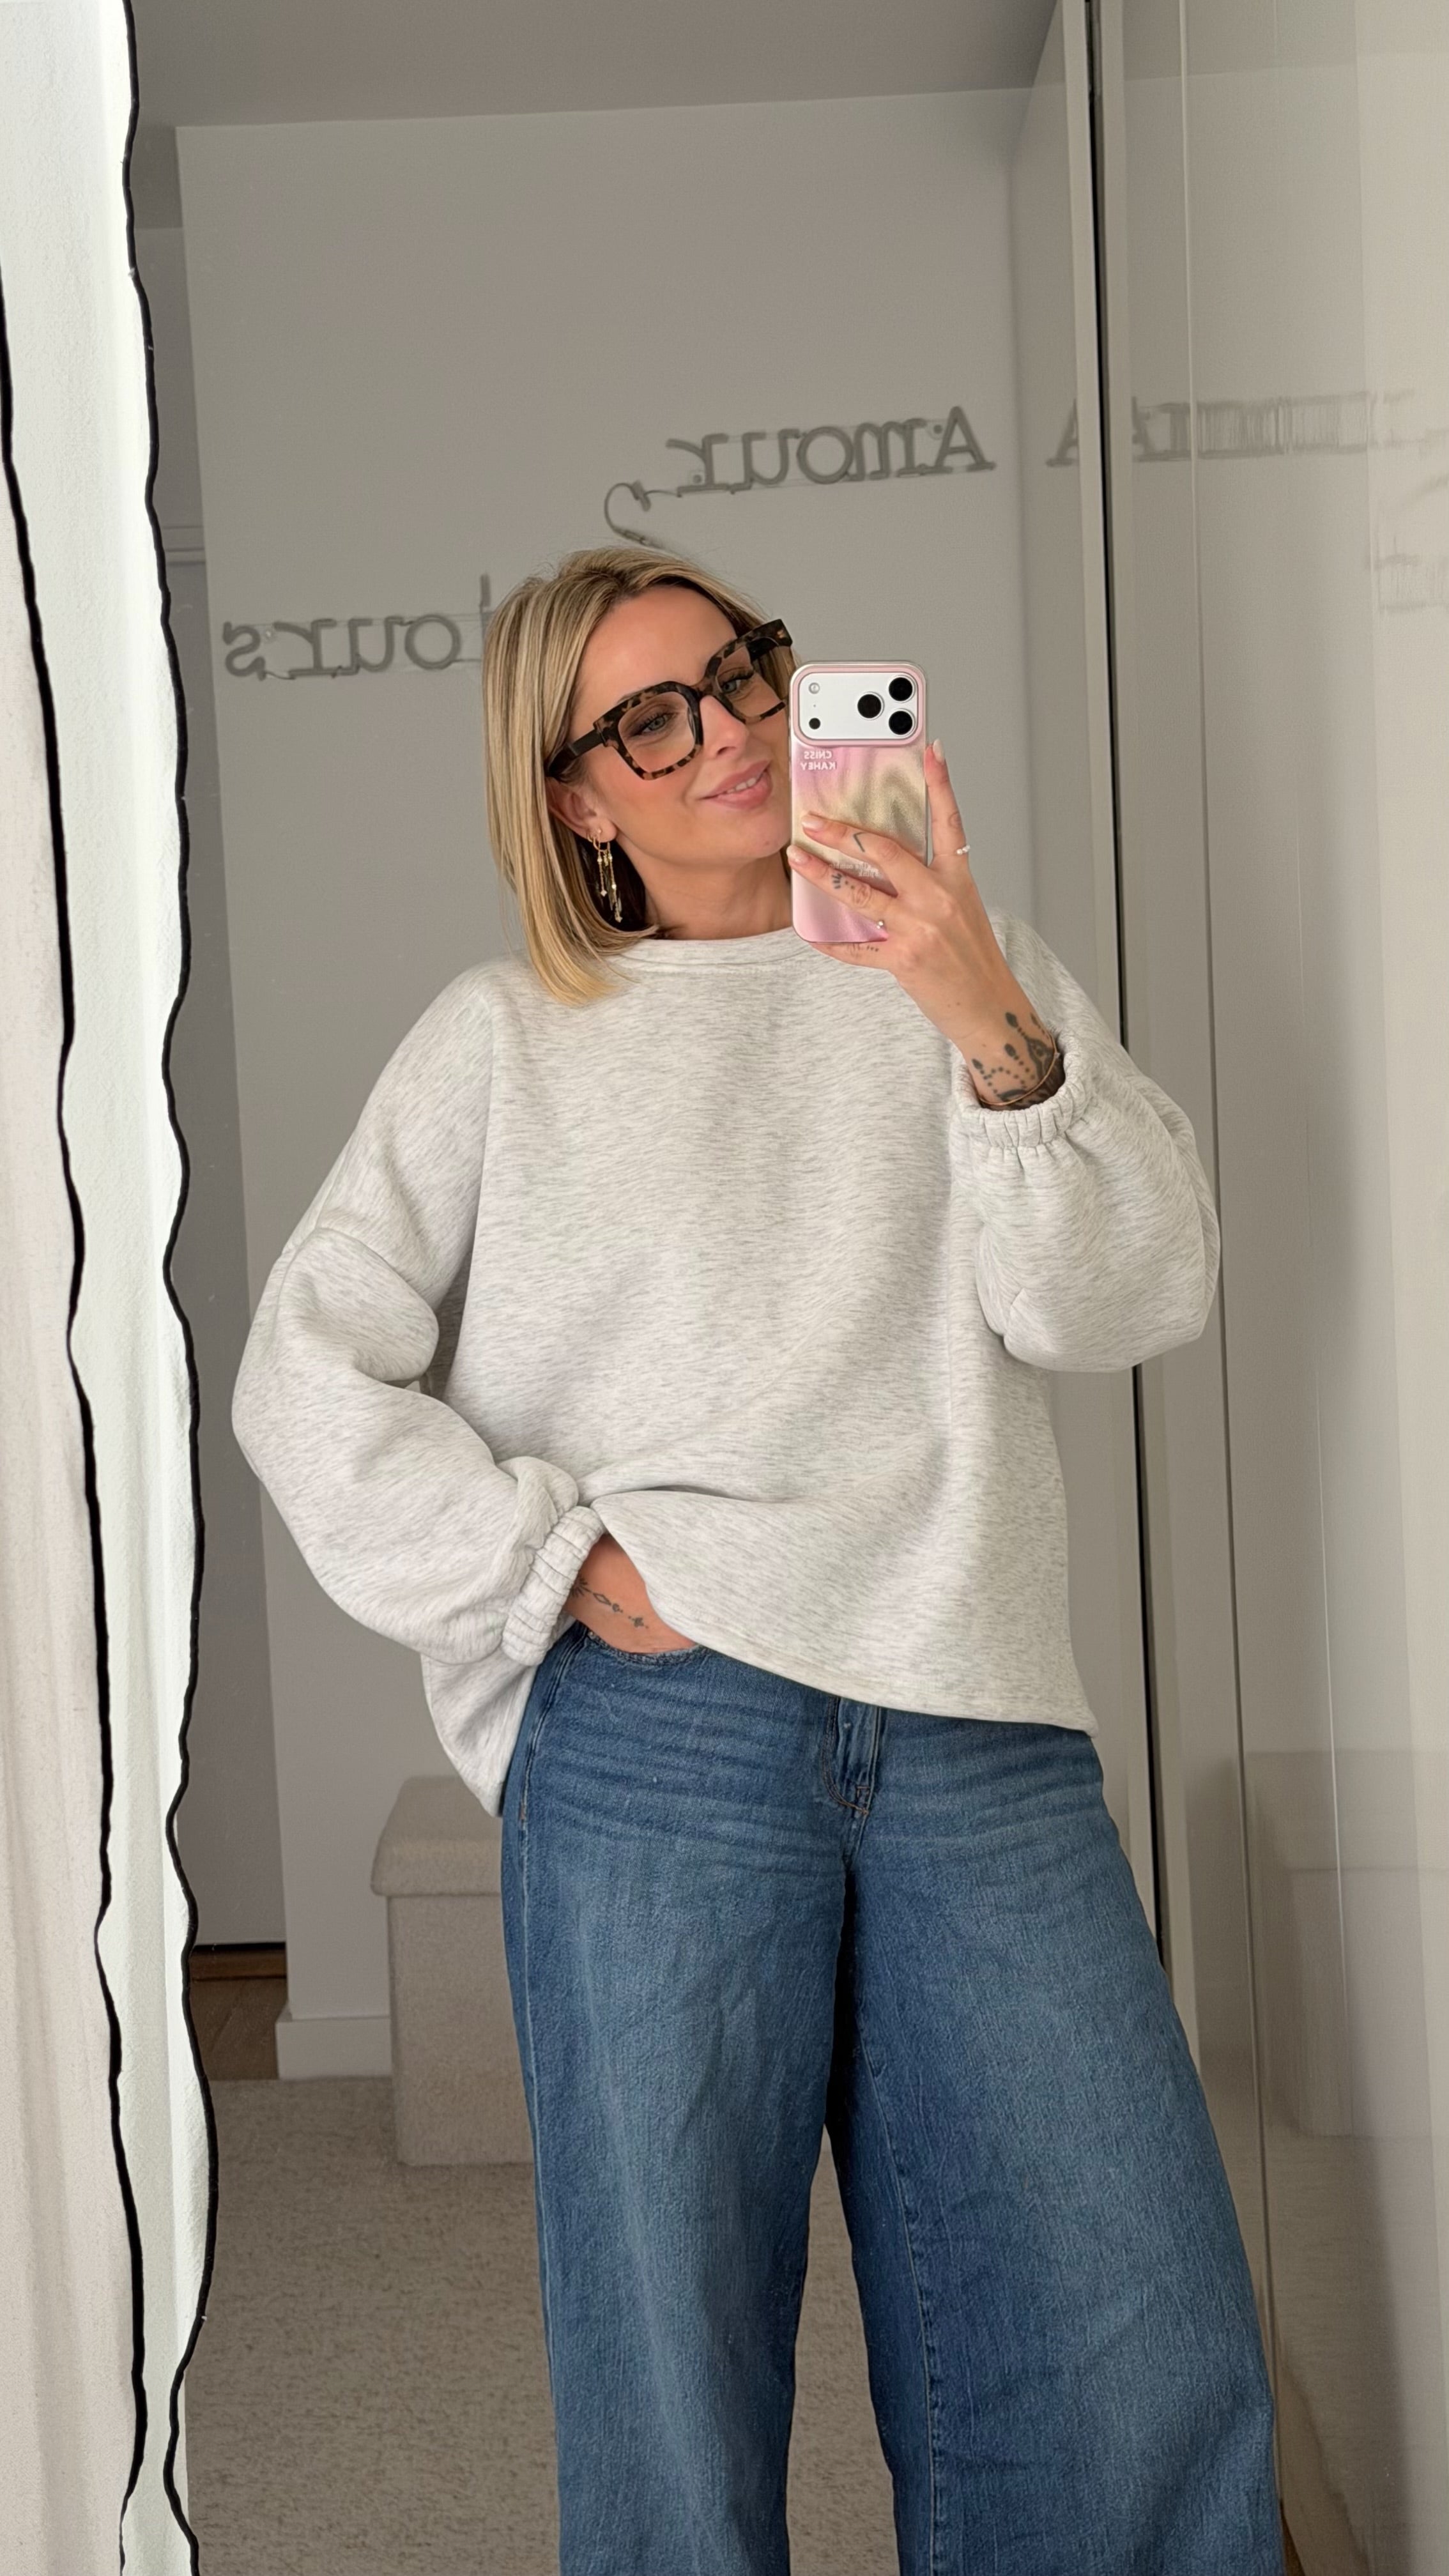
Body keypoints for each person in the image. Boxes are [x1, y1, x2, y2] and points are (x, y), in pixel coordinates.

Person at [232, 542, 1285, 2575]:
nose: (722, 732)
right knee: (675, 2374)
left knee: (1122, 2336)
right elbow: (305, 1371)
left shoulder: (964, 963)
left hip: (969, 1713)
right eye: (649, 719)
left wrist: (974, 1006)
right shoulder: (501, 1036)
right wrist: (546, 1562)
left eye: (739, 677)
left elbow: (1124, 1299)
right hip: (664, 1737)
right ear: (571, 795)